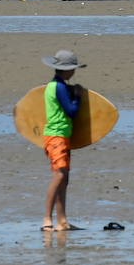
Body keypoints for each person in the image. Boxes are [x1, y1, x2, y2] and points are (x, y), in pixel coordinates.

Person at [41, 49, 86, 231]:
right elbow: (72, 111)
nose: (74, 72)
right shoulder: (58, 87)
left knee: (64, 178)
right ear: (66, 70)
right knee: (59, 175)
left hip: (62, 135)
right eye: (73, 69)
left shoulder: (55, 86)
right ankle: (47, 219)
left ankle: (62, 220)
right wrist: (78, 97)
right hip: (56, 136)